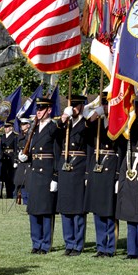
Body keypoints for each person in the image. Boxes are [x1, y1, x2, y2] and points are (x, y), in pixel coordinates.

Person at [18, 98, 60, 254]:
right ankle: (36, 243)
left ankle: (45, 244)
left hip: (47, 173)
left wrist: (55, 176)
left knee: (46, 211)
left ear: (49, 110)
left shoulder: (52, 128)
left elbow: (57, 153)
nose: (38, 112)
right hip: (34, 173)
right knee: (34, 210)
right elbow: (32, 150)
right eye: (38, 109)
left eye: (42, 109)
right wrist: (26, 157)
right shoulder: (34, 129)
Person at [115, 95, 138, 259]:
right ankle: (132, 250)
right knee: (129, 213)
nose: (135, 110)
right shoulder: (130, 124)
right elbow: (124, 150)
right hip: (129, 166)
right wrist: (120, 176)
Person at [84, 94, 120, 258]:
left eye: (108, 104)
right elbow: (84, 132)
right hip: (97, 167)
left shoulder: (118, 122)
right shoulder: (96, 123)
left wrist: (118, 175)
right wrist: (95, 115)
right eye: (104, 104)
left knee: (109, 210)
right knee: (98, 209)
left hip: (111, 167)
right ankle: (100, 246)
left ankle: (110, 246)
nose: (106, 107)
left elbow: (121, 150)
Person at [56, 95, 88, 256]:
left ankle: (78, 243)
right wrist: (63, 119)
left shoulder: (86, 123)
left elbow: (89, 146)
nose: (73, 109)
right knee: (66, 208)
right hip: (65, 166)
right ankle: (68, 242)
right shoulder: (65, 124)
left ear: (82, 107)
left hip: (79, 167)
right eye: (71, 106)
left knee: (77, 209)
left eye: (76, 106)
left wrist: (88, 173)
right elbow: (54, 135)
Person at [15, 118, 32, 205]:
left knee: (28, 182)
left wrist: (27, 156)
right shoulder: (19, 136)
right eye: (21, 124)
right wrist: (17, 158)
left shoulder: (31, 135)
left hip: (29, 162)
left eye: (24, 124)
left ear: (28, 125)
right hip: (21, 162)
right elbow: (17, 148)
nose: (22, 126)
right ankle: (23, 198)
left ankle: (28, 200)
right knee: (20, 180)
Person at [0, 121, 18, 198]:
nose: (6, 129)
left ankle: (12, 194)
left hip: (11, 158)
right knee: (5, 178)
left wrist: (15, 160)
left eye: (7, 127)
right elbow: (1, 149)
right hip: (4, 159)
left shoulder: (14, 136)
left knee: (12, 177)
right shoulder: (3, 136)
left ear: (11, 128)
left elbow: (16, 149)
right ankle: (8, 194)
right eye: (5, 127)